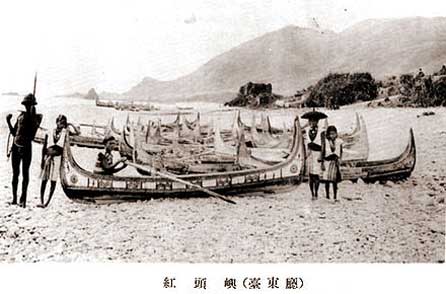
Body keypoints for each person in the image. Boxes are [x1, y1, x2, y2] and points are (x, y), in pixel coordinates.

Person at [6, 94, 42, 207]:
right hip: (16, 146)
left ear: (32, 106)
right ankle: (14, 199)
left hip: (26, 148)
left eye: (29, 104)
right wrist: (8, 122)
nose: (27, 106)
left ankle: (23, 200)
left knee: (25, 174)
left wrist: (32, 114)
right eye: (26, 104)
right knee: (15, 174)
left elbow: (32, 133)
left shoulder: (35, 119)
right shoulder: (20, 116)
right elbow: (14, 133)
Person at [38, 115, 80, 208]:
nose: (61, 124)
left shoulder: (66, 132)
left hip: (57, 158)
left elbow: (78, 133)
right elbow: (44, 146)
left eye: (63, 122)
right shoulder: (50, 131)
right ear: (56, 122)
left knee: (53, 180)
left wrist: (70, 124)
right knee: (44, 180)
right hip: (47, 157)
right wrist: (42, 159)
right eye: (60, 122)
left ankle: (47, 202)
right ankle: (41, 200)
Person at [301, 109, 327, 200]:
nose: (312, 122)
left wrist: (322, 156)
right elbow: (305, 141)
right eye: (310, 120)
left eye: (314, 120)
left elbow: (323, 144)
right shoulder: (307, 129)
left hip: (317, 153)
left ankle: (316, 193)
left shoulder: (321, 131)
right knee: (310, 175)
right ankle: (312, 193)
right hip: (310, 153)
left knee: (316, 175)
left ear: (317, 121)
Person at [321, 125, 343, 202]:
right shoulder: (326, 142)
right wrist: (322, 163)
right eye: (330, 134)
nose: (332, 135)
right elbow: (323, 153)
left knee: (335, 181)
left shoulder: (339, 141)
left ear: (336, 134)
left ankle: (335, 196)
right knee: (327, 180)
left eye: (334, 134)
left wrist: (340, 159)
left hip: (335, 162)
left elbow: (340, 151)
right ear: (328, 134)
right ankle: (327, 195)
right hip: (327, 161)